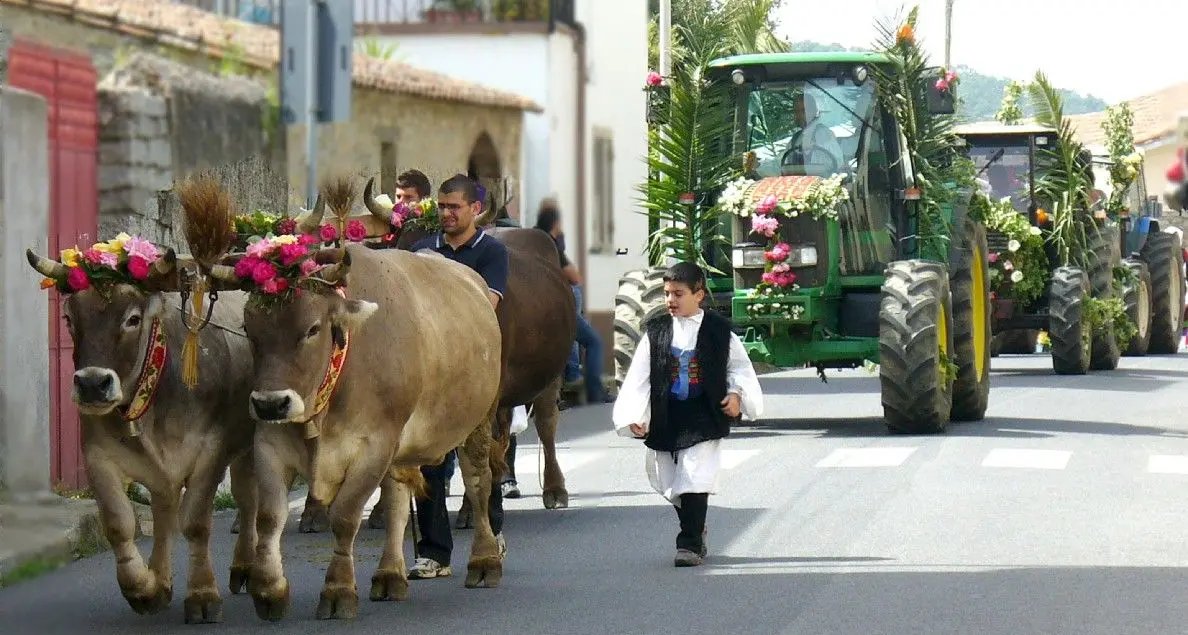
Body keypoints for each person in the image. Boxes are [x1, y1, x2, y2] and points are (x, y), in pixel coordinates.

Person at [611, 262, 763, 567]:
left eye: (678, 294)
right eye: (667, 294)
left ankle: (689, 543)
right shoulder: (656, 333)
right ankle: (696, 525)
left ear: (699, 294)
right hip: (668, 414)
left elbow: (739, 369)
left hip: (704, 414)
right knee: (669, 480)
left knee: (694, 476)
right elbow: (640, 377)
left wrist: (736, 395)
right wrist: (634, 415)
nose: (671, 300)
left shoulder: (719, 332)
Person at [407, 174, 509, 579]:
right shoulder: (419, 251)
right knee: (426, 460)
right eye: (442, 206)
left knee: (479, 453)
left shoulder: (491, 254)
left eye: (455, 207)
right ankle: (434, 552)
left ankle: (492, 528)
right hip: (429, 368)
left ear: (475, 210)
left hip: (473, 364)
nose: (446, 214)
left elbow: (488, 306)